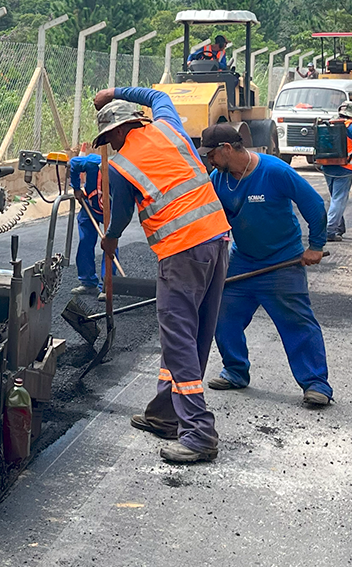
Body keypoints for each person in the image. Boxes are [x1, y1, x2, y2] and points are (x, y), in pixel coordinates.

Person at [91, 86, 231, 464]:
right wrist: (114, 92)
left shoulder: (122, 166)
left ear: (119, 131)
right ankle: (166, 415)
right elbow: (155, 95)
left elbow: (118, 217)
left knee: (178, 339)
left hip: (182, 251)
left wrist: (110, 240)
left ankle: (199, 433)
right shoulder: (169, 126)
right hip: (217, 240)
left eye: (109, 139)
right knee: (197, 331)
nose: (111, 146)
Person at [199, 124, 333, 407]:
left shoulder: (274, 171)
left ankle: (316, 383)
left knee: (297, 322)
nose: (208, 161)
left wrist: (316, 246)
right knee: (222, 313)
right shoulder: (218, 178)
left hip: (283, 262)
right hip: (243, 260)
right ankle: (235, 371)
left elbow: (313, 205)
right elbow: (210, 219)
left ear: (226, 149)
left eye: (211, 154)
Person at [316, 101, 352, 242]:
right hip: (344, 168)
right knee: (339, 199)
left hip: (327, 166)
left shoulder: (330, 124)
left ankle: (338, 227)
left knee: (335, 197)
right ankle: (329, 231)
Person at [68, 150, 114, 297]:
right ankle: (88, 282)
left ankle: (106, 287)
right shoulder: (92, 162)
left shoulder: (121, 174)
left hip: (111, 211)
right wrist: (76, 188)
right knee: (85, 242)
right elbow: (73, 164)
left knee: (110, 245)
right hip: (90, 207)